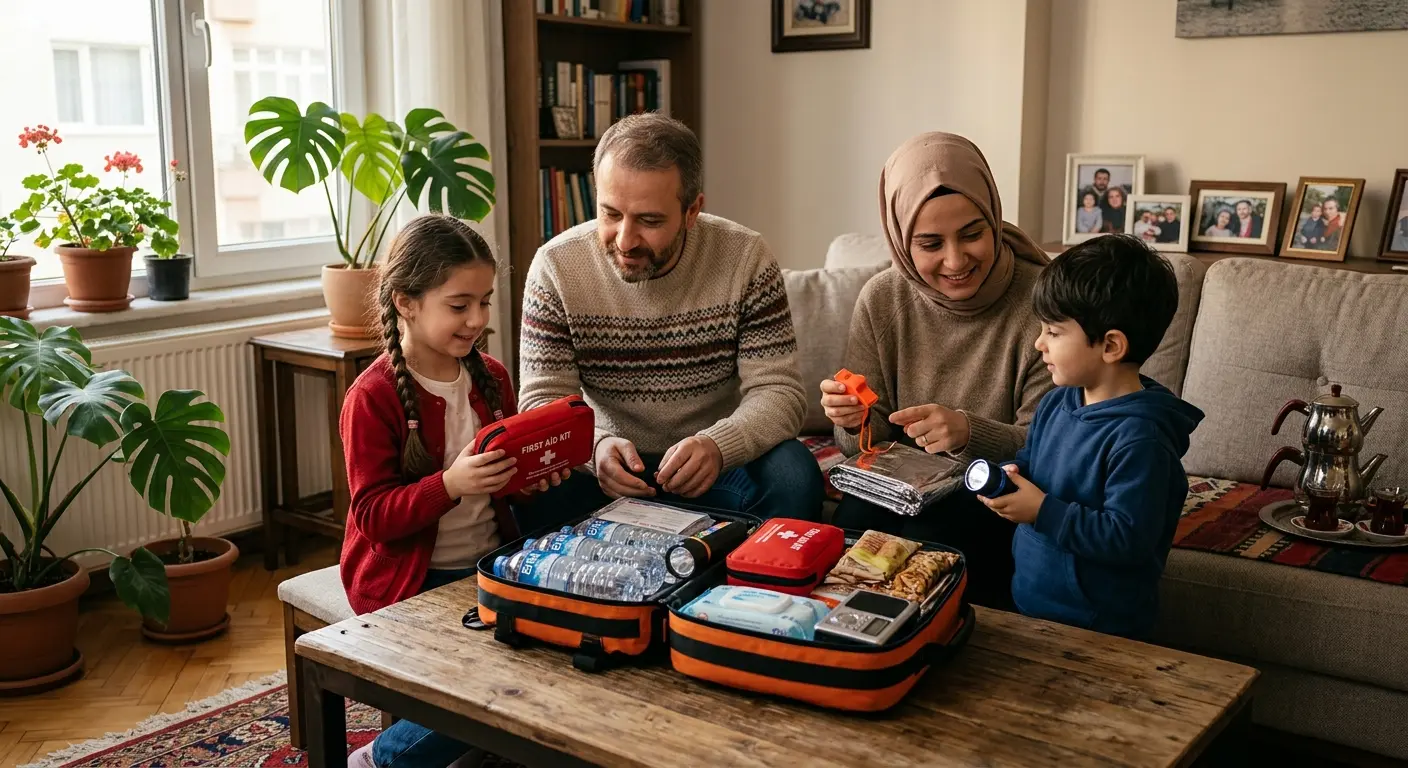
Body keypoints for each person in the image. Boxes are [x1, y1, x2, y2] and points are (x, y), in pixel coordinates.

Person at [338, 215, 570, 768]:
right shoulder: (372, 397)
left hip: (489, 566)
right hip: (408, 582)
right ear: (406, 303)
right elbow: (372, 517)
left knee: (564, 653)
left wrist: (535, 477)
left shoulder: (491, 376)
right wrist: (448, 485)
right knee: (498, 681)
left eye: (484, 302)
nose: (477, 320)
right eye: (459, 305)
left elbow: (507, 490)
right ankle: (378, 761)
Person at [519, 113, 822, 526]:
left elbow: (779, 392)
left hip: (715, 461)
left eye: (649, 220)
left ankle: (755, 585)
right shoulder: (556, 267)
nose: (625, 240)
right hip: (607, 467)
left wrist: (718, 446)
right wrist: (594, 449)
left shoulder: (745, 258)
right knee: (540, 486)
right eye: (610, 214)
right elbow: (542, 404)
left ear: (693, 210)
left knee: (794, 474)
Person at [818, 132, 1054, 609]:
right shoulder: (882, 300)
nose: (955, 260)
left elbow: (1052, 445)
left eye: (972, 234)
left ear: (994, 219)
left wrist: (970, 431)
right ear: (902, 241)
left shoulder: (1043, 302)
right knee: (851, 529)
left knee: (935, 536)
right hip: (900, 483)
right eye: (930, 243)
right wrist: (851, 419)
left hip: (993, 486)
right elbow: (862, 445)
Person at [977, 234, 1204, 639]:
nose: (1039, 343)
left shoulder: (1141, 440)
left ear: (1111, 345)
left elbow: (1128, 538)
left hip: (1101, 626)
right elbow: (1034, 464)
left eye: (1054, 332)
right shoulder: (1055, 403)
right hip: (1032, 601)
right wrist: (1011, 476)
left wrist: (1042, 511)